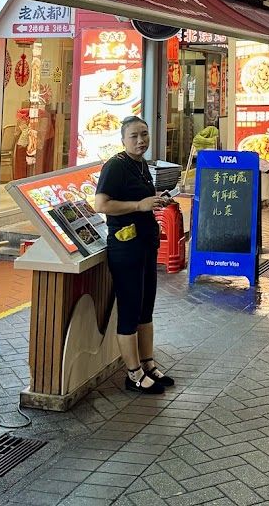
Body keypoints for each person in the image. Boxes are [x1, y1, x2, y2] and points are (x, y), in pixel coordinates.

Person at [93, 116, 175, 395]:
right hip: (125, 246)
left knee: (145, 307)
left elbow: (142, 199)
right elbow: (101, 204)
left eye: (144, 135)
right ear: (123, 139)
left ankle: (148, 363)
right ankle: (133, 373)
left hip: (145, 243)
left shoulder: (141, 165)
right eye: (134, 136)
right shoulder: (115, 166)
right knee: (129, 309)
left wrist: (155, 198)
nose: (141, 141)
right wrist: (141, 204)